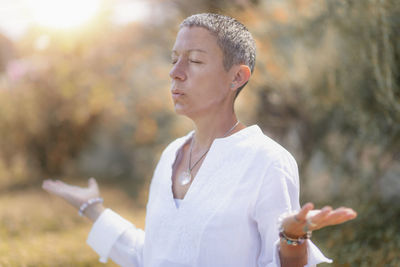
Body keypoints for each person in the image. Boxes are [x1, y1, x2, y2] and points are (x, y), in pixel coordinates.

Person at [42, 13, 357, 267]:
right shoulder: (170, 155)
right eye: (174, 58)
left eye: (193, 61)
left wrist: (292, 238)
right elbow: (150, 257)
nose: (175, 72)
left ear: (237, 77)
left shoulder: (267, 161)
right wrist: (92, 209)